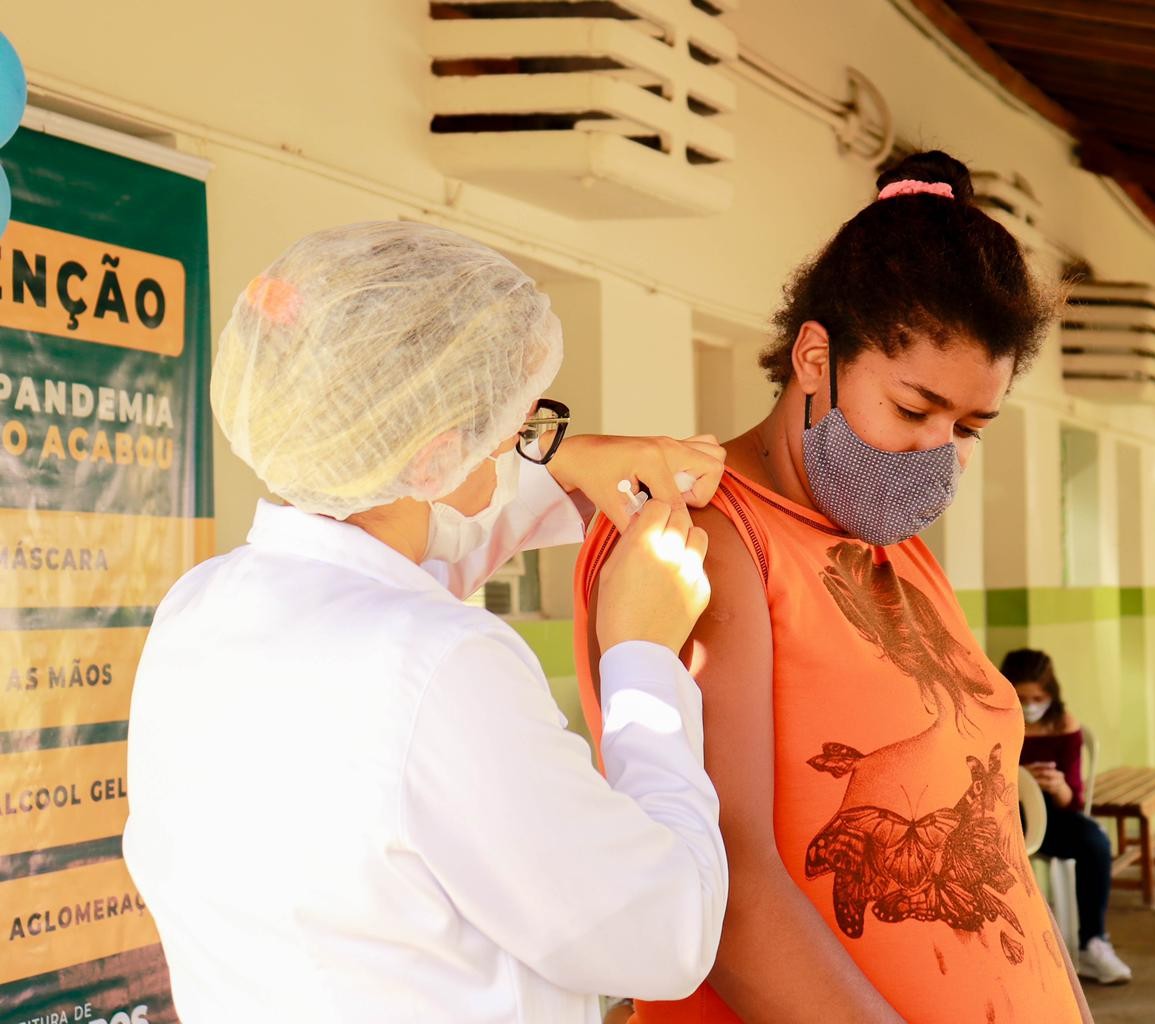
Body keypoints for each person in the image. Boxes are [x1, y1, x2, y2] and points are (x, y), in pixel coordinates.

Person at [123, 222, 732, 1023]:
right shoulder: (444, 665)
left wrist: (567, 467)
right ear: (434, 457)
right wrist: (642, 655)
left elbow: (401, 568)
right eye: (517, 429)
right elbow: (664, 933)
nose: (521, 451)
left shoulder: (198, 610)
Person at [574, 152, 1092, 1023]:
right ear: (816, 358)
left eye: (970, 426)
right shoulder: (708, 538)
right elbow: (729, 890)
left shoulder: (895, 549)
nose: (939, 451)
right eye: (914, 408)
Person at [1002, 648, 1133, 986]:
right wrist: (1017, 780)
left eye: (1038, 697)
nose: (1030, 705)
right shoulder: (997, 720)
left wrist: (1057, 785)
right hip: (1003, 816)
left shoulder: (1063, 724)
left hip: (1052, 818)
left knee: (1095, 839)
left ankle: (1093, 942)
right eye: (1021, 697)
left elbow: (1074, 799)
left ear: (1051, 694)